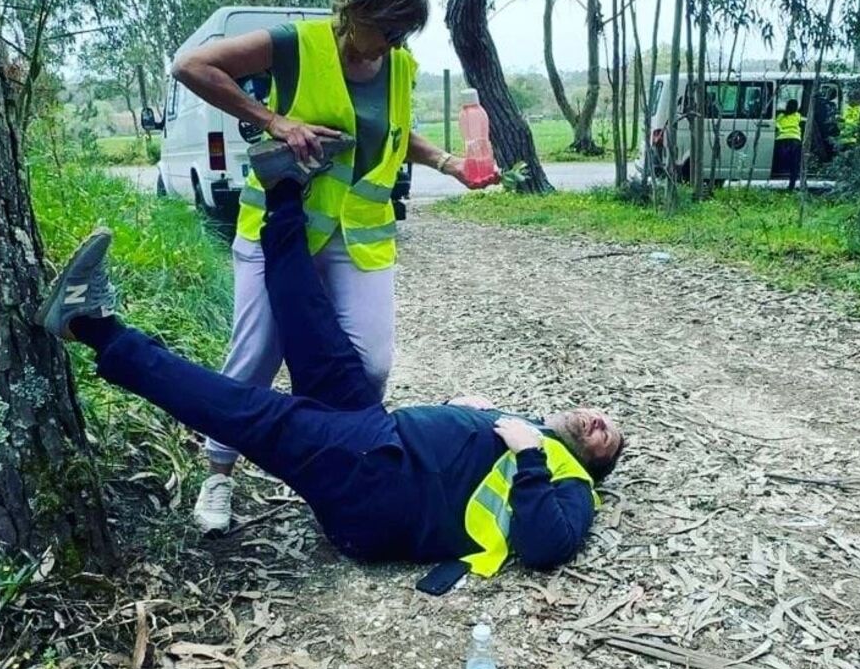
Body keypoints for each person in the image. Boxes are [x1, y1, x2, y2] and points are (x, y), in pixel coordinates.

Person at [34, 167, 623, 578]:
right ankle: (283, 188)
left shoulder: (568, 479)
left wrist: (529, 454)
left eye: (606, 437)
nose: (599, 421)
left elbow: (547, 544)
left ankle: (89, 326)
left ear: (594, 465)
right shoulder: (529, 427)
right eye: (603, 414)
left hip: (376, 486)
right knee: (313, 328)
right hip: (377, 434)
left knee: (248, 412)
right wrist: (470, 416)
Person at [171, 0, 499, 534]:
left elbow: (395, 132)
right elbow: (191, 66)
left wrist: (449, 163)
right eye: (387, 29)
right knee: (257, 354)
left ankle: (333, 457)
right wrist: (274, 121)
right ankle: (218, 471)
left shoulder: (398, 65)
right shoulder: (295, 44)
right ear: (355, 8)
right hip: (281, 231)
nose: (393, 44)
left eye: (403, 33)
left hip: (359, 240)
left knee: (369, 364)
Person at [773, 98, 804, 191]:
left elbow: (776, 124)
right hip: (795, 140)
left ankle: (777, 173)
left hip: (781, 139)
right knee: (794, 165)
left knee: (778, 160)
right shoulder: (798, 115)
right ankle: (791, 186)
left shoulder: (780, 116)